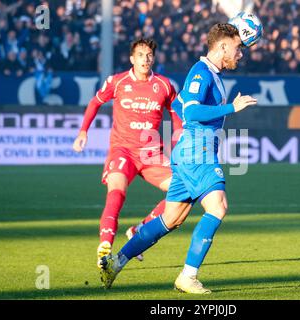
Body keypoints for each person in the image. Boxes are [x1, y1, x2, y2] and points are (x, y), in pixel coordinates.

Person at [99, 23, 257, 294]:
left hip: (188, 151)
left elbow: (179, 104)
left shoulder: (210, 74)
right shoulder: (202, 72)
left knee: (170, 219)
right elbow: (193, 113)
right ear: (222, 46)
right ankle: (188, 276)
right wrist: (233, 107)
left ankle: (116, 262)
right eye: (237, 47)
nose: (240, 53)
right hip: (198, 151)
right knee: (217, 207)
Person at [72, 38, 182, 268]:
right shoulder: (118, 81)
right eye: (141, 54)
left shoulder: (164, 85)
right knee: (116, 192)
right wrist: (83, 131)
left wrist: (179, 135)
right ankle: (105, 246)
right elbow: (94, 103)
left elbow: (175, 113)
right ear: (132, 59)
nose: (146, 59)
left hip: (151, 153)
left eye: (150, 54)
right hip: (123, 149)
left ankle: (140, 230)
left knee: (182, 192)